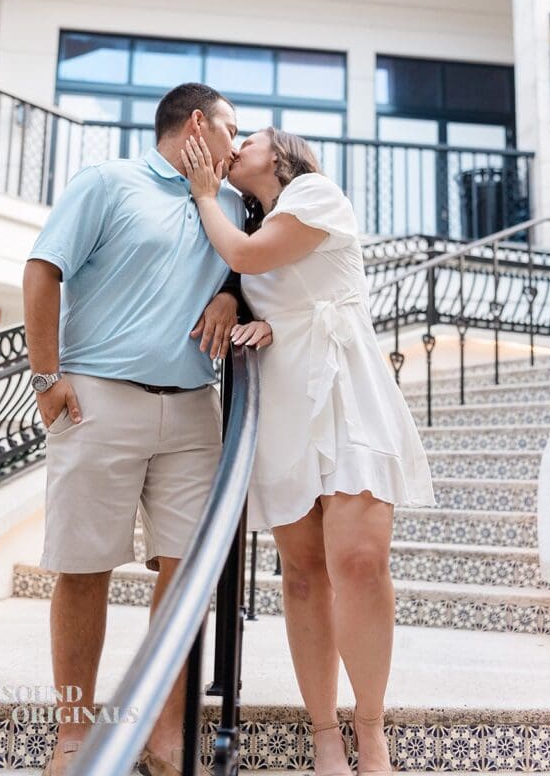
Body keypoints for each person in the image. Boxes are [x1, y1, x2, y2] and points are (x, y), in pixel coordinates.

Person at [181, 127, 436, 776]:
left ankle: (370, 730)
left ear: (281, 154)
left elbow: (249, 255)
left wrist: (204, 193)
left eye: (249, 139)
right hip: (285, 399)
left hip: (346, 389)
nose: (236, 146)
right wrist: (234, 299)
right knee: (301, 573)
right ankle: (324, 732)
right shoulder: (248, 219)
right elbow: (243, 268)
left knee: (360, 560)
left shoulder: (314, 194)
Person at [23, 83, 257, 776]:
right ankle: (74, 733)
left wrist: (229, 293)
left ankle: (164, 732)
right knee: (83, 568)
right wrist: (46, 375)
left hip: (192, 410)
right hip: (97, 401)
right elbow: (43, 269)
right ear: (197, 124)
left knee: (189, 573)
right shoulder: (108, 182)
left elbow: (257, 269)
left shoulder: (232, 204)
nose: (239, 144)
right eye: (232, 129)